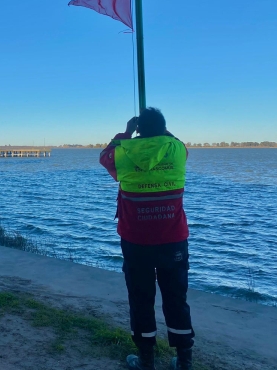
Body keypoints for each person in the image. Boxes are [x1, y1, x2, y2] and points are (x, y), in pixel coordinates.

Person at [99, 107, 194, 370]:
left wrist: (127, 132)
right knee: (176, 298)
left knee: (141, 299)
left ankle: (146, 360)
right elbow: (179, 143)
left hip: (135, 239)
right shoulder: (177, 151)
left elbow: (104, 156)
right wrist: (160, 131)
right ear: (164, 128)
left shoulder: (122, 153)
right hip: (173, 239)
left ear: (138, 128)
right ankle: (184, 361)